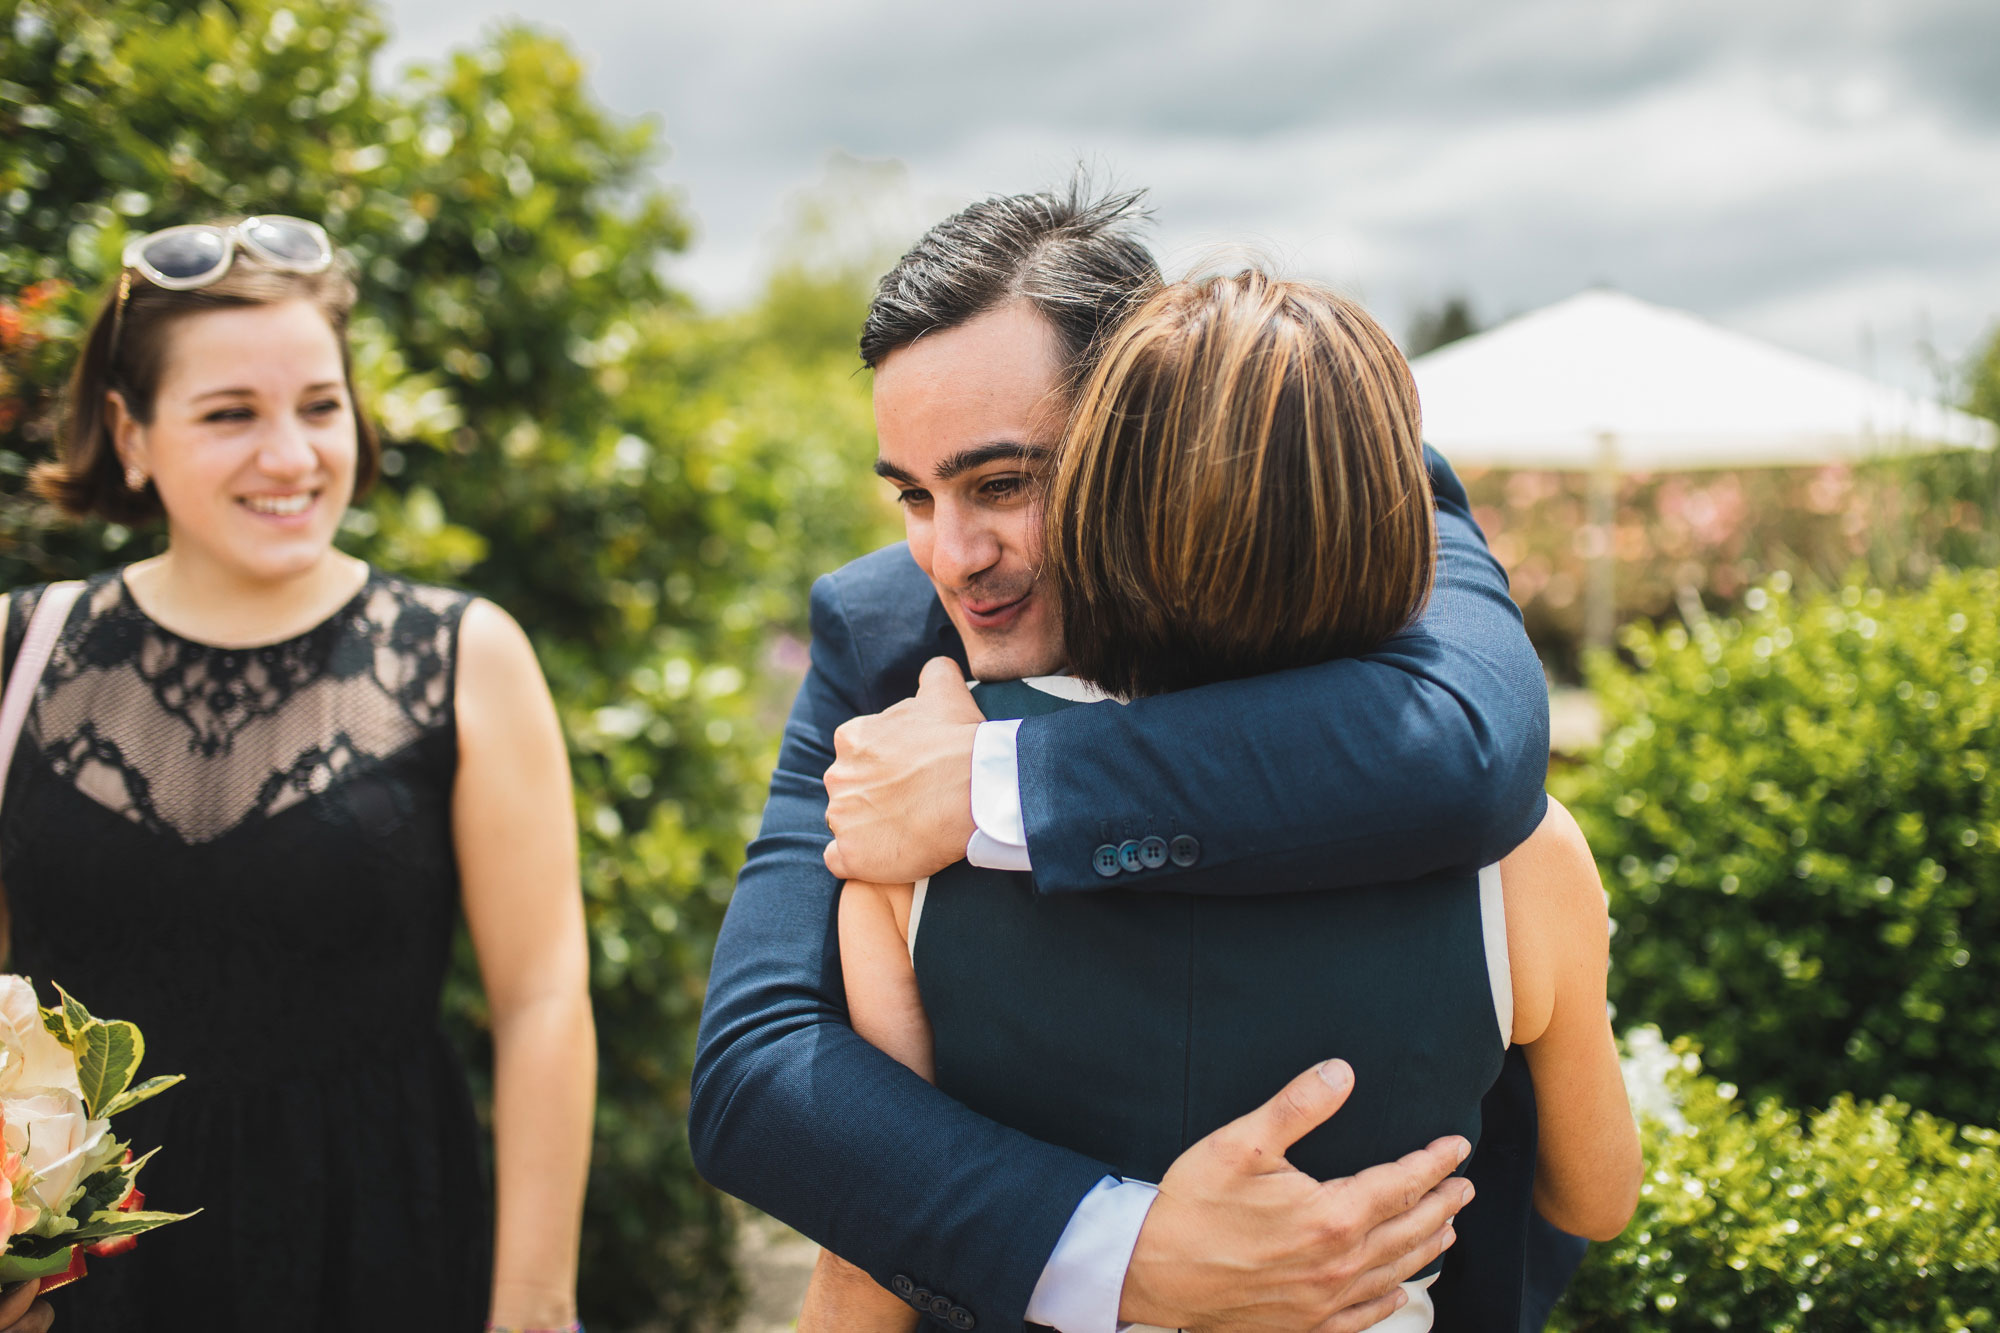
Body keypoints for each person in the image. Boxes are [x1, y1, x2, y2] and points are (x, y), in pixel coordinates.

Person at [691, 183, 1559, 1333]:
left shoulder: (1350, 497)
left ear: (1152, 422)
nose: (948, 558)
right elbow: (755, 1069)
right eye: (910, 493)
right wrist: (1119, 1248)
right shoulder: (884, 641)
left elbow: (1464, 750)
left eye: (1002, 483)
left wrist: (996, 788)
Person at [0, 216, 593, 1332]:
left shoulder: (466, 655)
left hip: (378, 1253)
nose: (292, 454)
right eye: (232, 414)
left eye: (319, 406)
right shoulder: (14, 655)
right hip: (77, 1286)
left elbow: (540, 1001)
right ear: (131, 433)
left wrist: (533, 1306)